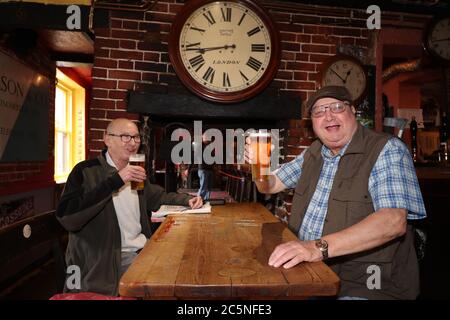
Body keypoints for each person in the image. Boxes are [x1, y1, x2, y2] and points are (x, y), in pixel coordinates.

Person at [249, 86, 426, 299]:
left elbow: (393, 222)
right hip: (311, 273)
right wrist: (258, 166)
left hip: (366, 284)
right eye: (319, 111)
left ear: (352, 111)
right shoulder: (313, 153)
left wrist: (316, 248)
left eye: (336, 107)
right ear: (313, 124)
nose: (328, 116)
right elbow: (270, 185)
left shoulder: (387, 149)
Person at [56, 118, 203, 296]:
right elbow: (68, 218)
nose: (133, 143)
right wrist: (117, 179)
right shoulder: (85, 171)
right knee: (170, 286)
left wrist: (187, 200)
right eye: (126, 137)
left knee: (189, 268)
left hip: (142, 250)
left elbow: (157, 197)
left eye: (136, 137)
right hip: (106, 260)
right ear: (107, 139)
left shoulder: (135, 169)